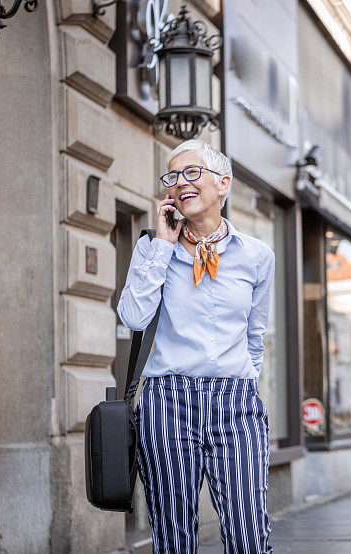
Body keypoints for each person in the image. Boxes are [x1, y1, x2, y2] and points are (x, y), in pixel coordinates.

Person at [117, 139, 275, 553]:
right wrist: (165, 248)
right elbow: (133, 317)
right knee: (174, 538)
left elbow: (255, 335)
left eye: (191, 173)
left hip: (235, 403)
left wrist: (241, 380)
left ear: (223, 183)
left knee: (249, 535)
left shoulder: (257, 257)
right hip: (169, 401)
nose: (180, 183)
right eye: (173, 177)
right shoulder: (153, 249)